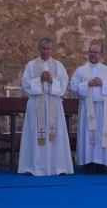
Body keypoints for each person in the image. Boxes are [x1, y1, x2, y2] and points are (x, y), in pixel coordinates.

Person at [18, 38, 74, 176]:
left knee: (55, 135)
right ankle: (33, 167)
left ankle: (57, 167)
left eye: (48, 48)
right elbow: (25, 83)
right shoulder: (31, 65)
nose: (46, 51)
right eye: (43, 48)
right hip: (37, 103)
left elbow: (63, 85)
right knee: (35, 134)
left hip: (54, 103)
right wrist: (40, 80)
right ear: (39, 49)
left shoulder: (59, 65)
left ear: (52, 50)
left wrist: (51, 80)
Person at [70, 44, 107, 174]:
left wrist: (103, 83)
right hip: (87, 109)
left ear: (101, 55)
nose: (93, 54)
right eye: (91, 52)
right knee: (87, 135)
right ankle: (87, 163)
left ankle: (101, 163)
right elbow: (73, 87)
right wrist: (88, 83)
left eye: (96, 52)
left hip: (102, 108)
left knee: (102, 134)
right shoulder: (80, 70)